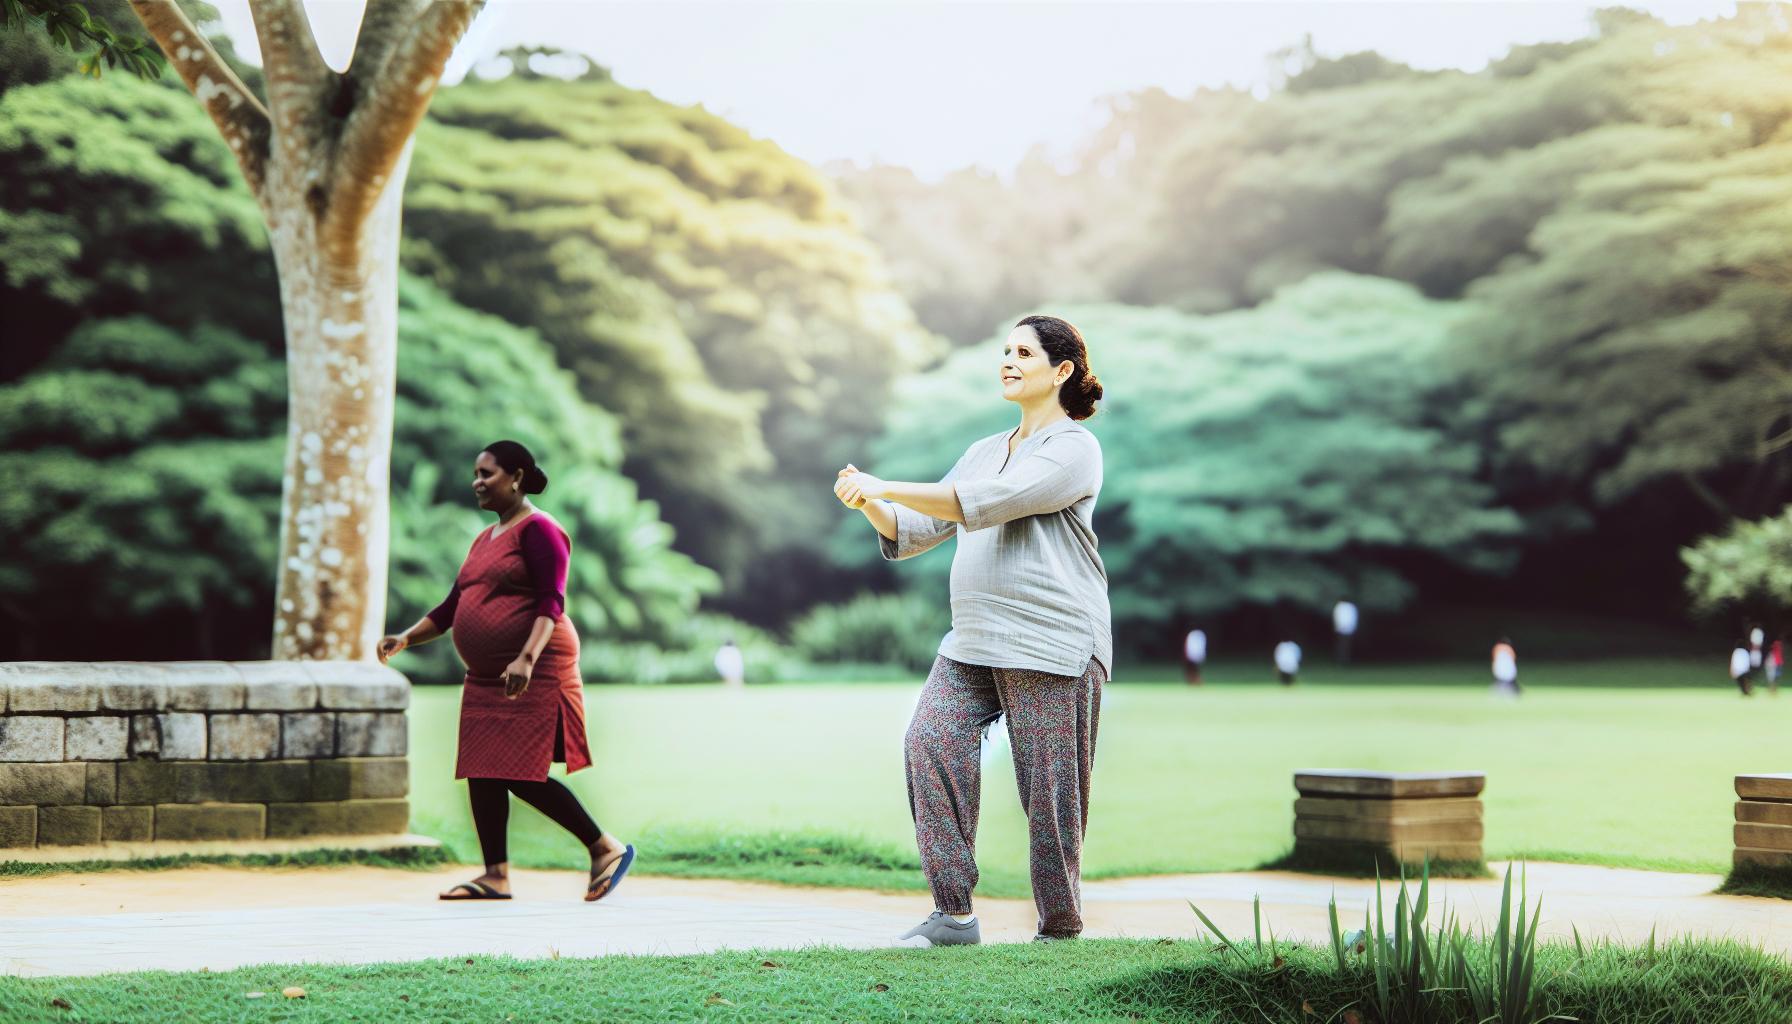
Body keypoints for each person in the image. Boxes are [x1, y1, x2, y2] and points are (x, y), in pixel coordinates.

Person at [834, 314, 1109, 946]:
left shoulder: (1073, 448)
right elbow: (915, 530)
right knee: (929, 740)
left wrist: (885, 484)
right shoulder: (985, 449)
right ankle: (953, 912)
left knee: (1050, 795)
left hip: (1052, 641)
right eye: (1005, 351)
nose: (1008, 361)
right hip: (974, 641)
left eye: (1024, 353)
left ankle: (1060, 928)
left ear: (1061, 371)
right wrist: (868, 500)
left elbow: (988, 501)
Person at [380, 440, 635, 902]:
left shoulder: (541, 531)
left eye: (487, 473)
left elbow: (551, 602)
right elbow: (452, 606)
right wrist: (406, 637)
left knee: (520, 772)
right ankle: (494, 875)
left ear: (516, 477)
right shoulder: (484, 540)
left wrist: (526, 657)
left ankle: (604, 847)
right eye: (475, 474)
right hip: (486, 678)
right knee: (481, 769)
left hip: (535, 668)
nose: (477, 482)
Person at [1332, 600, 1359, 665]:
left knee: (1346, 645)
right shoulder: (1341, 606)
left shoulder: (1348, 607)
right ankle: (1341, 660)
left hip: (1347, 629)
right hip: (1342, 628)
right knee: (1342, 645)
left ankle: (1345, 660)